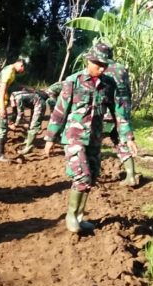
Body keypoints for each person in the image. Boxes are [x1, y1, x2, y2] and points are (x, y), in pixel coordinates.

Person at [42, 44, 138, 233]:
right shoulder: (73, 81)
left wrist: (128, 137)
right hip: (74, 137)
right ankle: (71, 216)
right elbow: (60, 111)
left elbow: (119, 113)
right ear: (89, 60)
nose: (101, 68)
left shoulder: (109, 84)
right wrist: (50, 138)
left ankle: (79, 216)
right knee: (82, 176)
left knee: (92, 176)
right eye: (97, 64)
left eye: (104, 65)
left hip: (94, 138)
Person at [97, 43, 138, 186]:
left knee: (94, 141)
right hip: (123, 110)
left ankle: (92, 174)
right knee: (120, 140)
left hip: (107, 110)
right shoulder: (121, 68)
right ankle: (131, 175)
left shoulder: (101, 68)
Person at [0, 55, 28, 161]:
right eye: (23, 68)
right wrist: (2, 107)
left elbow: (14, 85)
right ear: (21, 64)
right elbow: (2, 88)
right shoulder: (9, 71)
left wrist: (28, 88)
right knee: (3, 128)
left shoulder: (10, 69)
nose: (23, 71)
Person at [9, 89, 48, 154]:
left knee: (34, 125)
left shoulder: (18, 98)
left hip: (39, 104)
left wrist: (16, 124)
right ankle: (28, 140)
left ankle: (29, 147)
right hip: (35, 104)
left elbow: (20, 113)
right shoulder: (13, 93)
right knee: (31, 124)